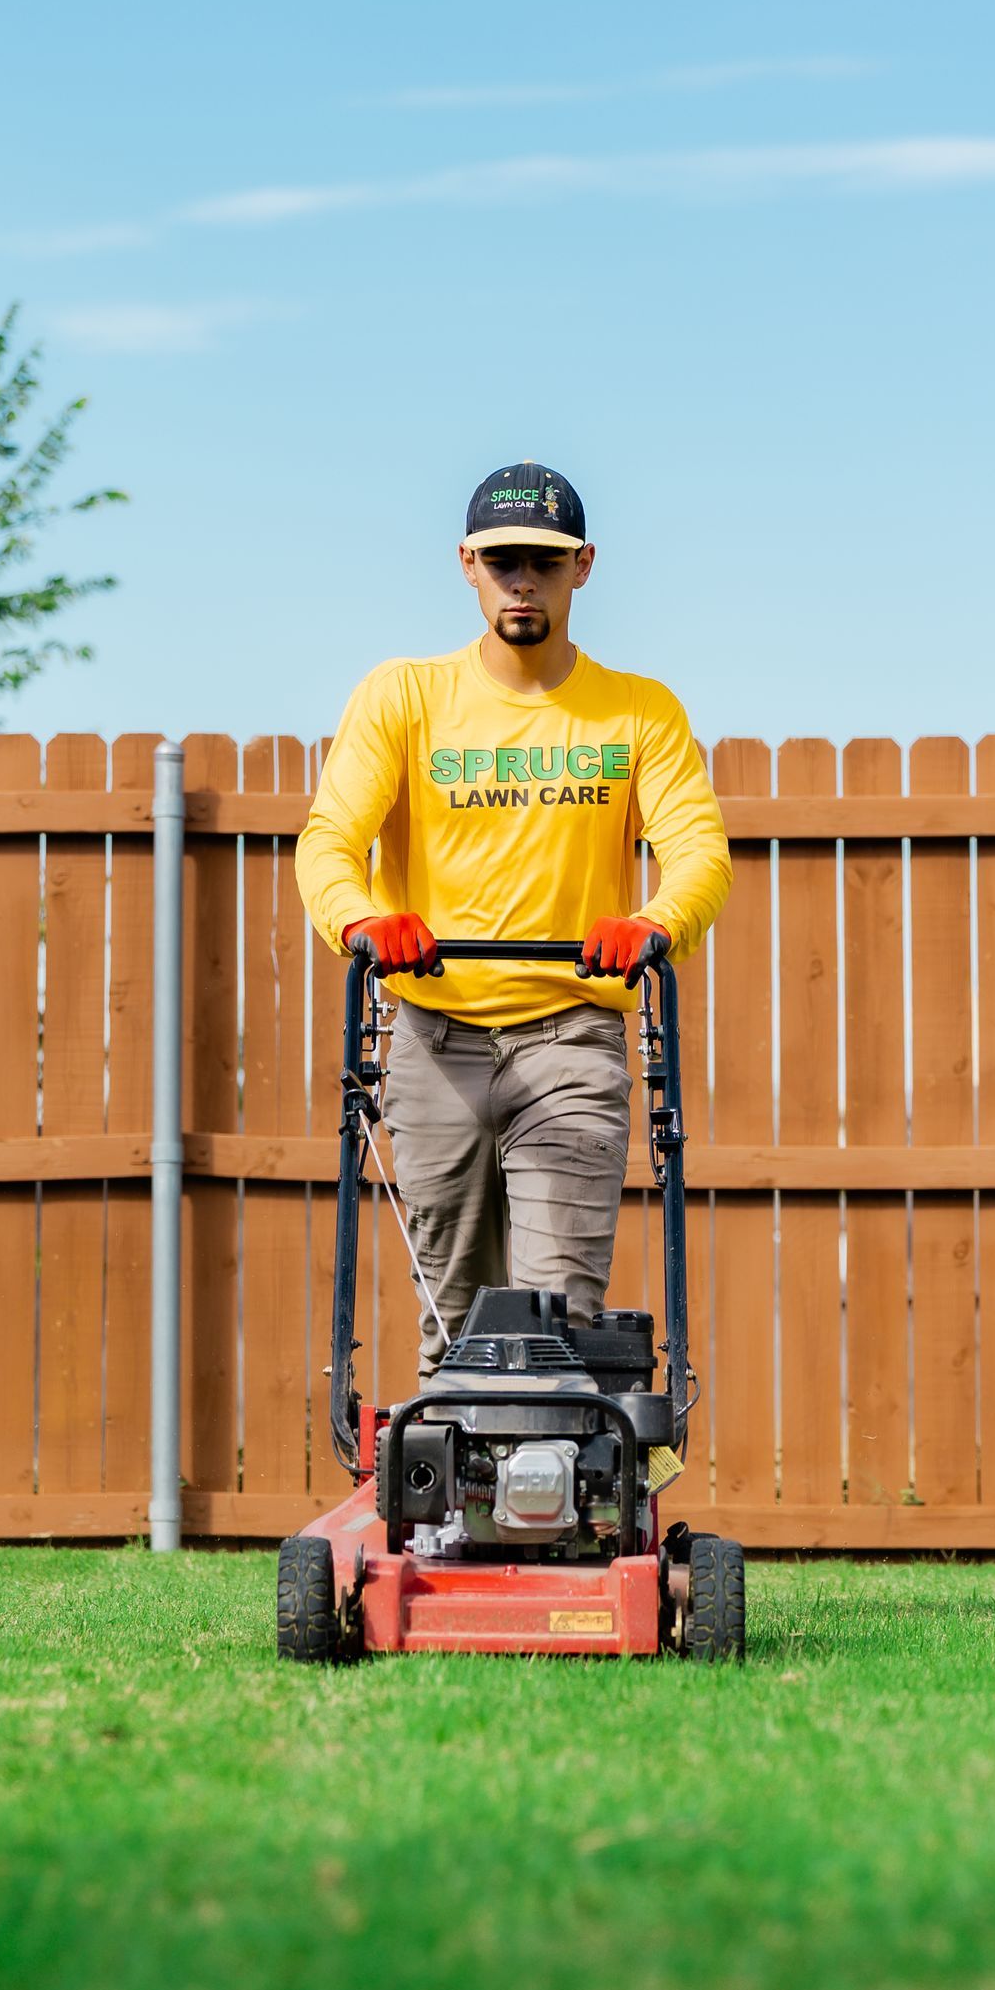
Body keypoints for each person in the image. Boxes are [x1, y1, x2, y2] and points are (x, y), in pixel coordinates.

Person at [294, 462, 731, 1377]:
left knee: (554, 1315)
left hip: (571, 1039)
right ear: (467, 565)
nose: (521, 578)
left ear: (583, 567)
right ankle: (450, 1505)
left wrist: (653, 924)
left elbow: (699, 855)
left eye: (541, 559)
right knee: (453, 1316)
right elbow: (330, 840)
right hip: (432, 1040)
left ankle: (556, 1510)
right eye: (502, 561)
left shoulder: (638, 712)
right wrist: (364, 920)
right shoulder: (404, 699)